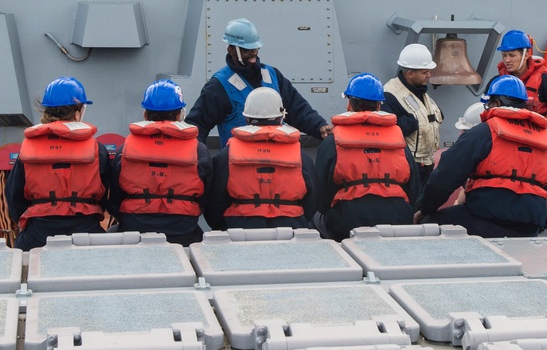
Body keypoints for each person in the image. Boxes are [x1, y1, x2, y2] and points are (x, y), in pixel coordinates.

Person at [415, 75, 547, 238]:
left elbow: (444, 177)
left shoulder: (484, 132)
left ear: (496, 103)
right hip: (530, 225)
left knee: (428, 225)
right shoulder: (545, 142)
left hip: (485, 219)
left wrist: (424, 208)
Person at [186, 18, 331, 147]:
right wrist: (199, 158)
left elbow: (297, 108)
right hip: (240, 165)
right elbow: (197, 125)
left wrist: (319, 126)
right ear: (231, 49)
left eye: (256, 47)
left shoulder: (272, 75)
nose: (254, 52)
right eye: (247, 49)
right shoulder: (218, 86)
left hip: (278, 160)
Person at [4, 77, 111, 250]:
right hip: (86, 229)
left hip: (39, 232)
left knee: (24, 263)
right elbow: (108, 193)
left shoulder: (29, 147)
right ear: (78, 112)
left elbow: (14, 195)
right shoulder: (97, 149)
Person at [109, 80, 213, 246]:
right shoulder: (199, 151)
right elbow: (206, 198)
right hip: (182, 232)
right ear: (180, 114)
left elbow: (115, 200)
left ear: (145, 114)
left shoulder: (125, 150)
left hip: (135, 230)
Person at [316, 74, 419, 241]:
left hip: (347, 222)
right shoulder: (398, 139)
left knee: (315, 220)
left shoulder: (333, 141)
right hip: (397, 219)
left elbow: (321, 192)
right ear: (379, 106)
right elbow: (413, 185)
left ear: (349, 104)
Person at [205, 87, 318, 230]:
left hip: (238, 228)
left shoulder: (226, 155)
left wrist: (224, 225)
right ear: (281, 117)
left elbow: (214, 202)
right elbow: (313, 200)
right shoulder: (301, 156)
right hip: (290, 226)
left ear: (246, 118)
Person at [382, 44, 442, 194]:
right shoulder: (390, 95)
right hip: (407, 169)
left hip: (426, 166)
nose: (429, 75)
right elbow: (387, 133)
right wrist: (409, 123)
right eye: (424, 72)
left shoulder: (420, 91)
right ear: (410, 73)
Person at [493, 29, 547, 147]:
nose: (507, 60)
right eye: (504, 55)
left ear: (526, 55)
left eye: (512, 55)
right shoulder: (496, 83)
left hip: (535, 143)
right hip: (504, 142)